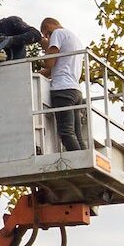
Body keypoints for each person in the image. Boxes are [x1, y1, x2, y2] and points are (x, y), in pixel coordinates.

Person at [41, 17, 88, 152]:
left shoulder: (57, 34)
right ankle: (83, 159)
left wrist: (46, 48)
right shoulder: (74, 38)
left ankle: (79, 164)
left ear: (48, 26)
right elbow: (55, 68)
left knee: (66, 133)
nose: (46, 37)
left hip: (62, 89)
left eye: (46, 34)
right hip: (75, 90)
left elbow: (49, 62)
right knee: (77, 135)